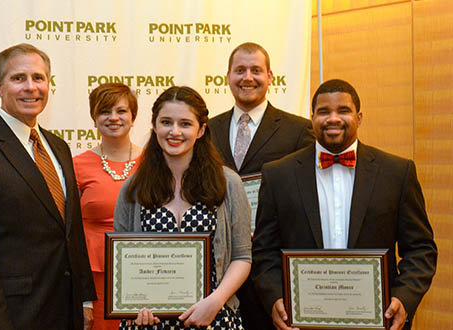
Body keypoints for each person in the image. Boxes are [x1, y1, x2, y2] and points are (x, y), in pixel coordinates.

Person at [252, 79, 437, 330]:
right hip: (301, 321)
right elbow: (264, 251)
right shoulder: (278, 175)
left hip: (378, 319)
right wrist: (274, 298)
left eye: (343, 111)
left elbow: (420, 249)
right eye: (324, 112)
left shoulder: (396, 172)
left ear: (359, 117)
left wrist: (404, 298)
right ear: (312, 117)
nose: (333, 118)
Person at [0, 43, 96, 330]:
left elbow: (71, 232)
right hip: (11, 316)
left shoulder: (58, 147)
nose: (30, 87)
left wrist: (85, 299)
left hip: (65, 311)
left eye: (38, 78)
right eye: (18, 78)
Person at [114, 86, 251, 329]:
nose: (174, 132)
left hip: (213, 317)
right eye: (166, 122)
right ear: (154, 126)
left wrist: (215, 302)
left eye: (185, 124)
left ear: (201, 130)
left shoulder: (228, 183)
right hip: (150, 321)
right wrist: (135, 304)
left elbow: (241, 257)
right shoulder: (132, 189)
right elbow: (124, 261)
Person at [207, 42, 314, 330]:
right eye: (239, 70)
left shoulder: (299, 130)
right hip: (220, 271)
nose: (247, 77)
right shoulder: (207, 130)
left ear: (270, 76)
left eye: (256, 70)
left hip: (273, 270)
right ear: (227, 76)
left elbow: (307, 200)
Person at [73, 83, 142, 330]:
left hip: (143, 273)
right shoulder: (77, 165)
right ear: (94, 118)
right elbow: (70, 232)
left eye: (121, 111)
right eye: (104, 111)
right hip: (95, 281)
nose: (113, 118)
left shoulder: (154, 165)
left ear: (133, 116)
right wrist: (83, 299)